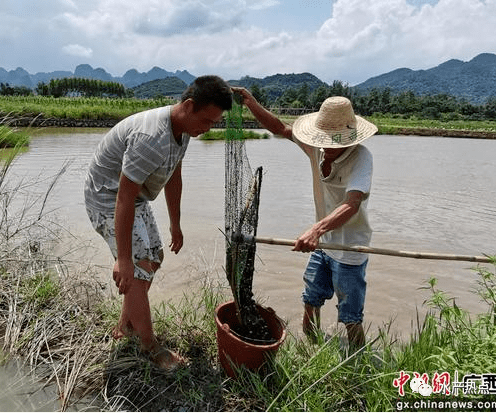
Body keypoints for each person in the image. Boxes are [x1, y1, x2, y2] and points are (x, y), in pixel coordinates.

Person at [85, 76, 232, 370]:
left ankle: (126, 326)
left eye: (214, 123)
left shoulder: (184, 130)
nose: (207, 129)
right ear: (188, 106)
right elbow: (123, 199)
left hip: (134, 197)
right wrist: (123, 258)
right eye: (206, 120)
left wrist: (175, 224)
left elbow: (173, 177)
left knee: (154, 259)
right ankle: (150, 346)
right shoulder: (151, 139)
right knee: (138, 268)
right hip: (107, 199)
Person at [232, 88, 377, 351]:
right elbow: (281, 128)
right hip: (322, 245)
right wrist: (251, 103)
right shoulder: (317, 149)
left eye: (334, 142)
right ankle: (311, 352)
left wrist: (316, 230)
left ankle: (358, 365)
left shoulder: (361, 158)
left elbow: (352, 203)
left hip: (350, 249)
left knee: (350, 318)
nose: (326, 148)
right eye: (324, 141)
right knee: (310, 300)